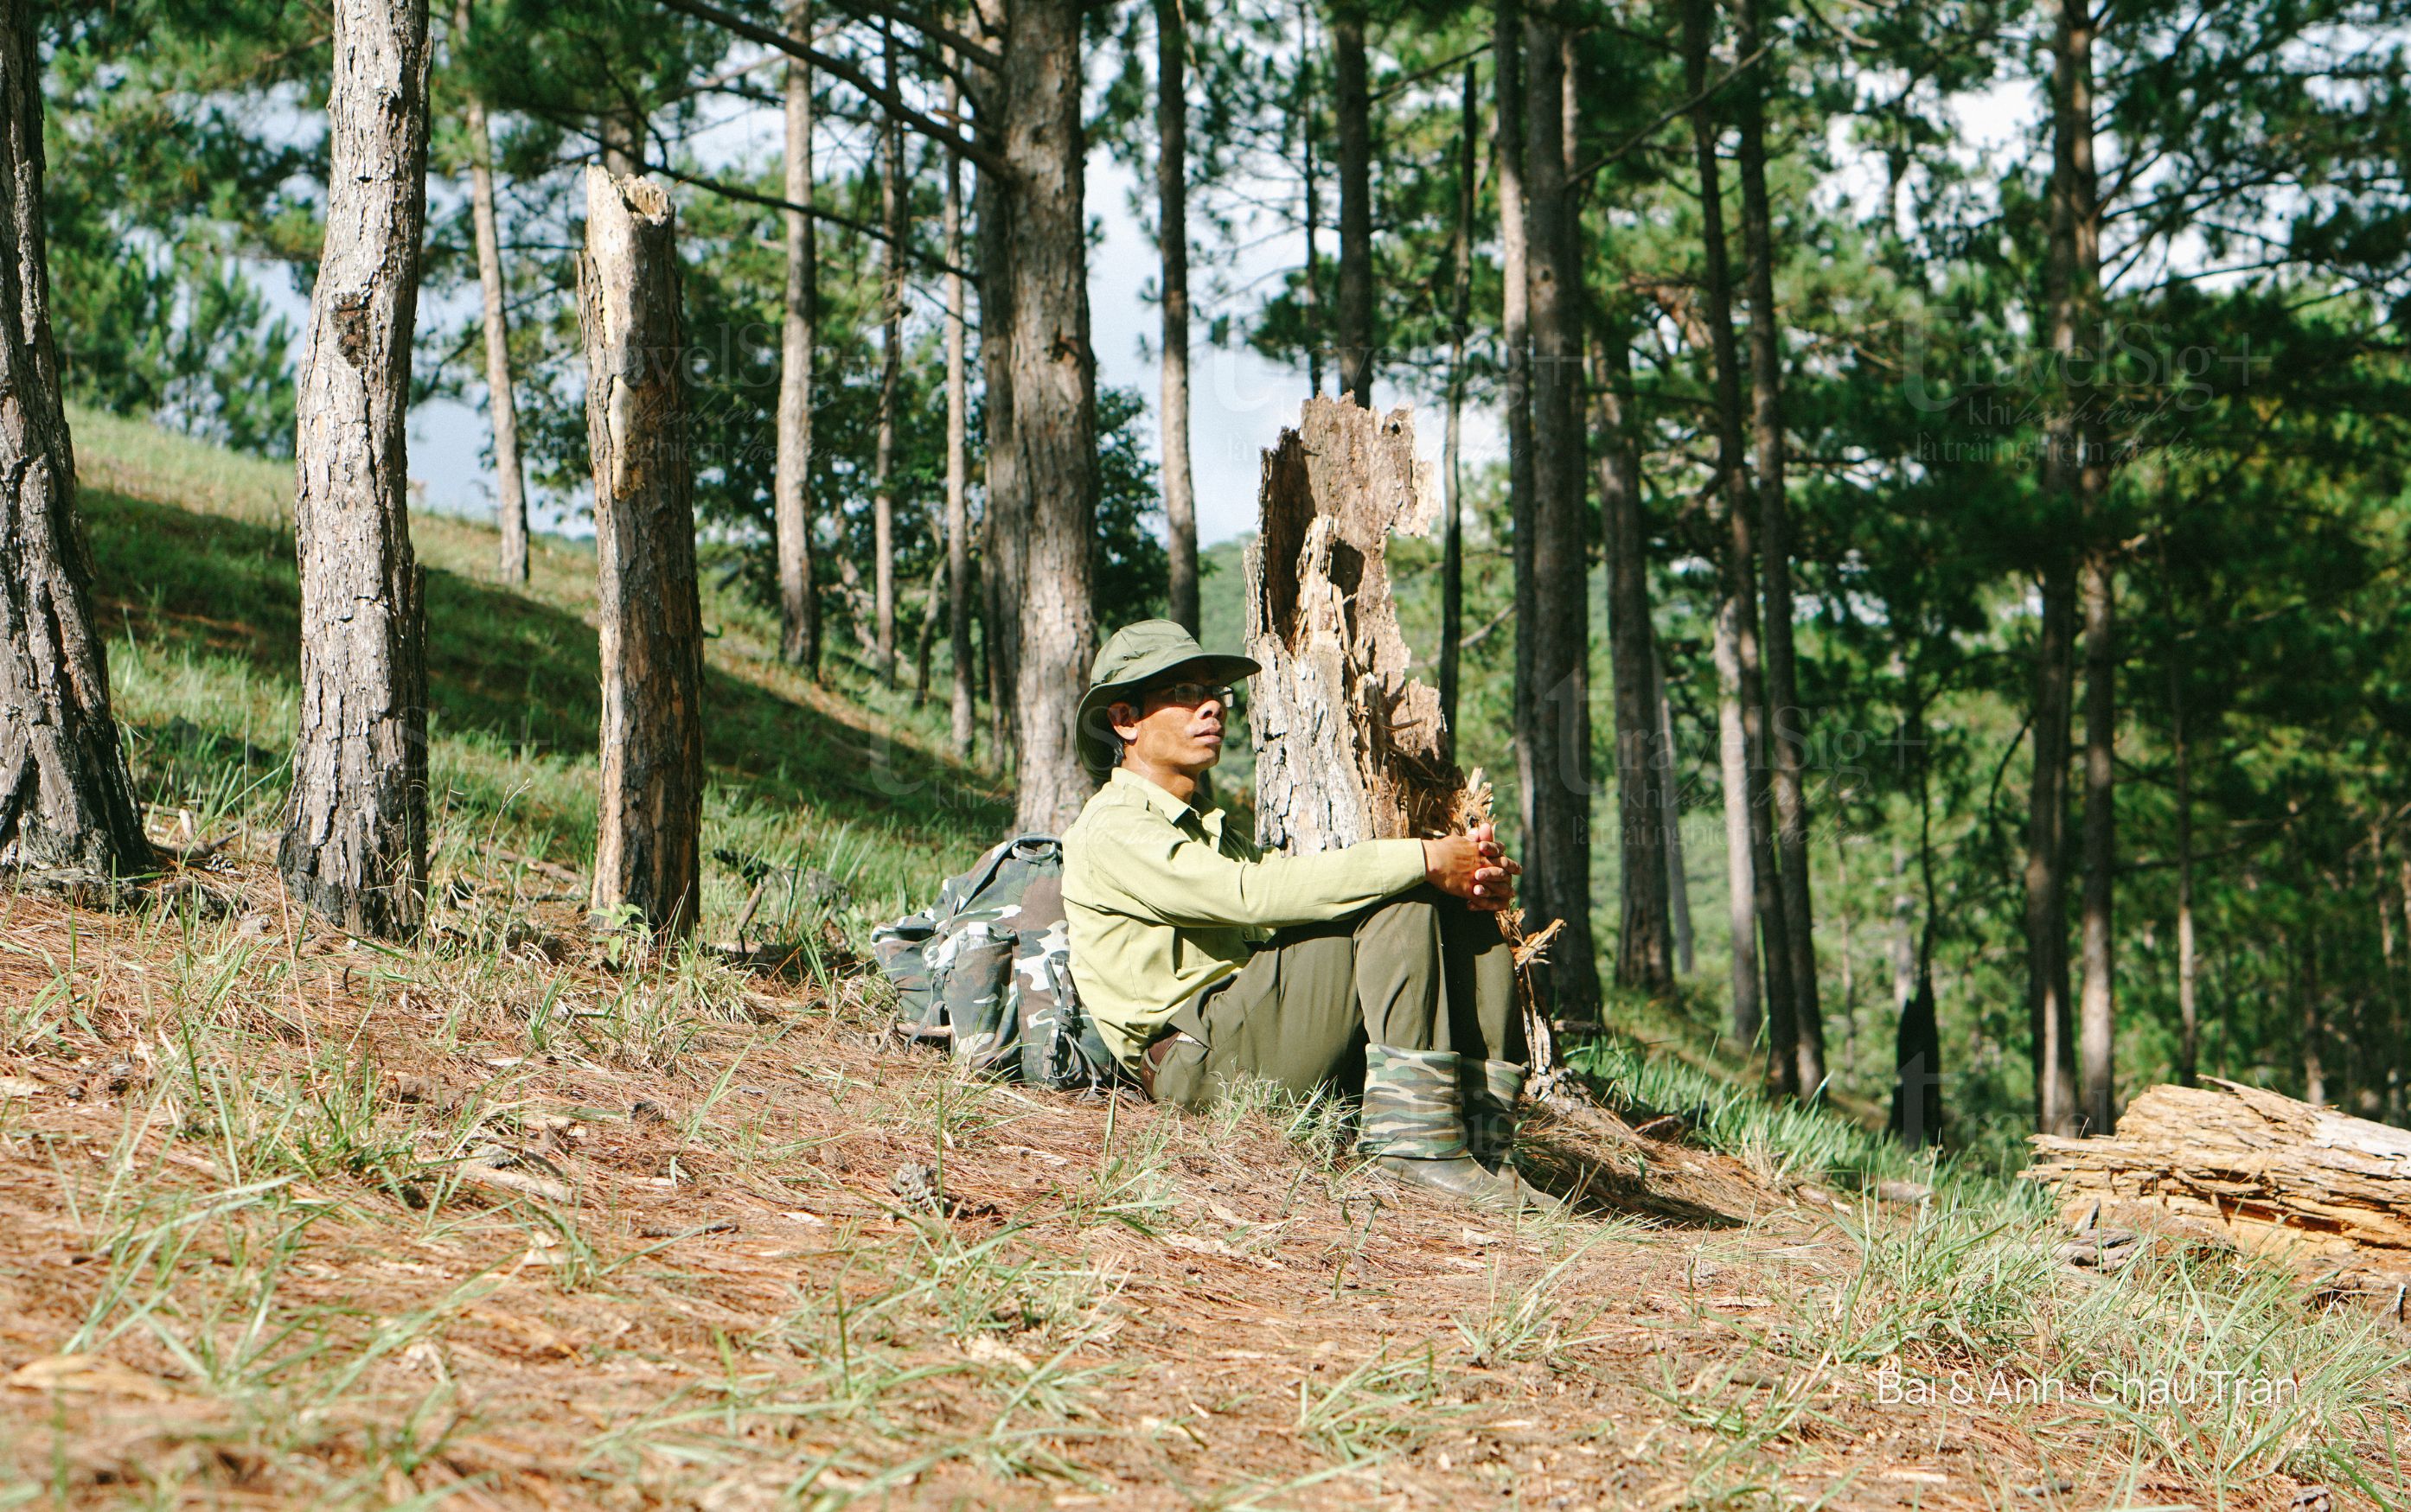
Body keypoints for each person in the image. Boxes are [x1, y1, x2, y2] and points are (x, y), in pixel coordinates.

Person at [1060, 619, 1557, 1212]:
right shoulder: (1114, 824)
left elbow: (1282, 898)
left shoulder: (1209, 828)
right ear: (1125, 719)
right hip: (1197, 1065)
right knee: (1398, 887)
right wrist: (1422, 859)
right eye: (1187, 695)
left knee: (1446, 899)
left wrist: (1466, 877)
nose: (1213, 709)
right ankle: (1415, 1148)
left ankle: (1481, 1146)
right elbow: (1249, 895)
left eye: (1215, 695)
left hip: (1250, 1033)